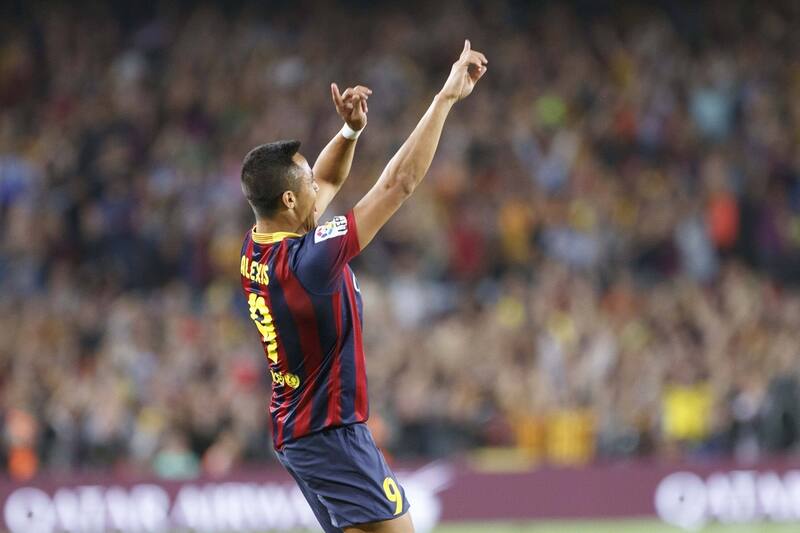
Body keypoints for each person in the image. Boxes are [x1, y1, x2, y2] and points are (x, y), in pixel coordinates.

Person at [238, 40, 487, 533]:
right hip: (330, 434)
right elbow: (398, 184)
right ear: (288, 200)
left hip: (300, 432)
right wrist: (444, 99)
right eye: (307, 183)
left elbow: (326, 178)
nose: (318, 186)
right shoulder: (310, 262)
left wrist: (350, 130)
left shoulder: (255, 246)